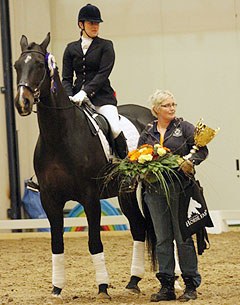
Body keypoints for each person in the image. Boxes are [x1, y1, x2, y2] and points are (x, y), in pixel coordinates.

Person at [138, 89, 208, 302]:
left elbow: (202, 149)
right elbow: (138, 154)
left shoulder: (184, 128)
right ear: (156, 109)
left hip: (181, 190)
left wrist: (191, 162)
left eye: (173, 104)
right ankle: (166, 285)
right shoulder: (147, 132)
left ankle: (190, 284)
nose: (172, 108)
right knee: (162, 239)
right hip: (155, 191)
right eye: (167, 105)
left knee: (183, 237)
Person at [62, 3, 127, 159]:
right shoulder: (71, 48)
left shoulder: (106, 46)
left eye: (97, 23)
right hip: (77, 100)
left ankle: (124, 164)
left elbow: (103, 74)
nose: (95, 26)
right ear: (81, 24)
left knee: (115, 128)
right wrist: (69, 96)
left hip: (102, 98)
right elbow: (66, 78)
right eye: (91, 23)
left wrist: (84, 92)